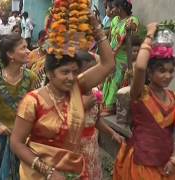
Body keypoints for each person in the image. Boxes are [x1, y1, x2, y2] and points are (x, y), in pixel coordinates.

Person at [10, 15, 115, 180]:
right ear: (49, 73)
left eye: (75, 71)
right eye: (65, 72)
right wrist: (49, 172)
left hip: (77, 171)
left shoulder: (76, 88)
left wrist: (97, 29)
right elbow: (16, 143)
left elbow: (108, 64)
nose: (71, 77)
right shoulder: (33, 101)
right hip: (42, 174)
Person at [113, 23, 175, 180]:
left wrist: (174, 156)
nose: (168, 76)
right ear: (150, 73)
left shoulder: (174, 98)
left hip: (166, 165)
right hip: (141, 165)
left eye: (171, 71)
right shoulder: (140, 94)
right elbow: (140, 67)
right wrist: (150, 35)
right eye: (162, 70)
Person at [0, 34, 38, 180]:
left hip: (22, 137)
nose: (29, 51)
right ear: (10, 54)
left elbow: (34, 109)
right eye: (23, 47)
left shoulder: (31, 78)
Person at [77, 51, 124, 180]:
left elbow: (96, 120)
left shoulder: (95, 93)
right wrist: (80, 106)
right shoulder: (68, 95)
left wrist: (112, 133)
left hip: (91, 147)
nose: (95, 76)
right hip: (74, 150)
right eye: (89, 71)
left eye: (96, 70)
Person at [102, 0, 140, 116]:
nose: (111, 10)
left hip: (123, 57)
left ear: (119, 8)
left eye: (113, 8)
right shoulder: (115, 20)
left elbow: (135, 32)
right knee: (107, 80)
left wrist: (131, 27)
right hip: (111, 55)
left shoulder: (132, 20)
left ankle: (111, 107)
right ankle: (104, 103)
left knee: (115, 80)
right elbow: (110, 37)